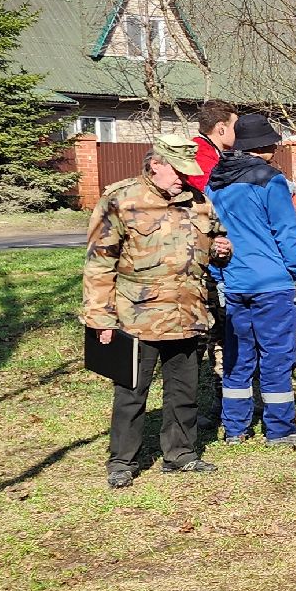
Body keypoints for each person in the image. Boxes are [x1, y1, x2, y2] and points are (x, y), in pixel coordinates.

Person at [83, 146, 232, 489]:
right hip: (138, 317)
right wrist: (99, 318)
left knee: (185, 390)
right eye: (177, 170)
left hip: (187, 313)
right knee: (131, 392)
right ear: (155, 166)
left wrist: (223, 250)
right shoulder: (120, 200)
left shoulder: (198, 202)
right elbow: (99, 263)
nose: (183, 178)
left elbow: (215, 245)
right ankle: (122, 461)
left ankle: (180, 455)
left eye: (186, 171)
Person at [207, 112, 296, 447]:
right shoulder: (270, 181)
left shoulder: (216, 181)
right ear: (264, 146)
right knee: (276, 355)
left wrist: (219, 277)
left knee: (238, 357)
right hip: (272, 283)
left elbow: (210, 235)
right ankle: (280, 428)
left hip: (235, 282)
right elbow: (286, 234)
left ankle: (235, 429)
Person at [189, 100, 238, 193]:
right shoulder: (198, 154)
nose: (238, 131)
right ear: (221, 128)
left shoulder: (215, 152)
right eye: (235, 127)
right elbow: (215, 192)